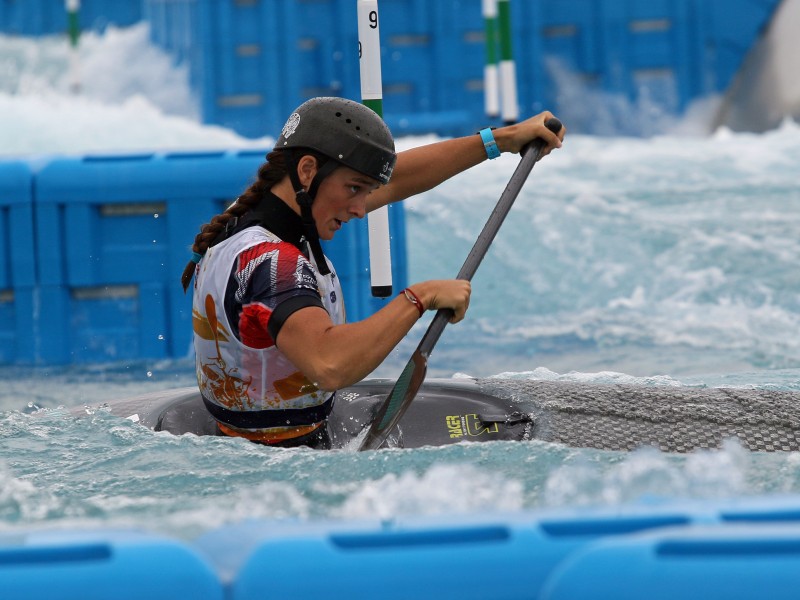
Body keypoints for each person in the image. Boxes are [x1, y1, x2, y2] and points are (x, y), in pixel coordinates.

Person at [181, 97, 564, 447]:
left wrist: (502, 140)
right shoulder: (273, 264)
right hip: (283, 456)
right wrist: (418, 299)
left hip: (245, 437)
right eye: (354, 189)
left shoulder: (248, 221)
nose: (362, 209)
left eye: (366, 191)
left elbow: (396, 179)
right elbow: (329, 363)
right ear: (308, 170)